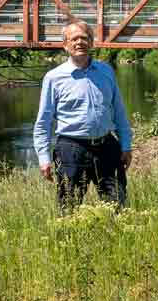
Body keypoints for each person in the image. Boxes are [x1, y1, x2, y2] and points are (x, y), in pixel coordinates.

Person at [33, 20, 133, 210]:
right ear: (65, 45)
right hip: (71, 149)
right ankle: (72, 230)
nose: (80, 42)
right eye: (74, 39)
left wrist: (126, 145)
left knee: (117, 204)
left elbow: (119, 111)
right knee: (69, 207)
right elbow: (43, 122)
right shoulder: (54, 78)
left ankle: (115, 229)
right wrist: (43, 158)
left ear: (92, 42)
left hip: (107, 146)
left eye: (84, 38)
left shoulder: (106, 71)